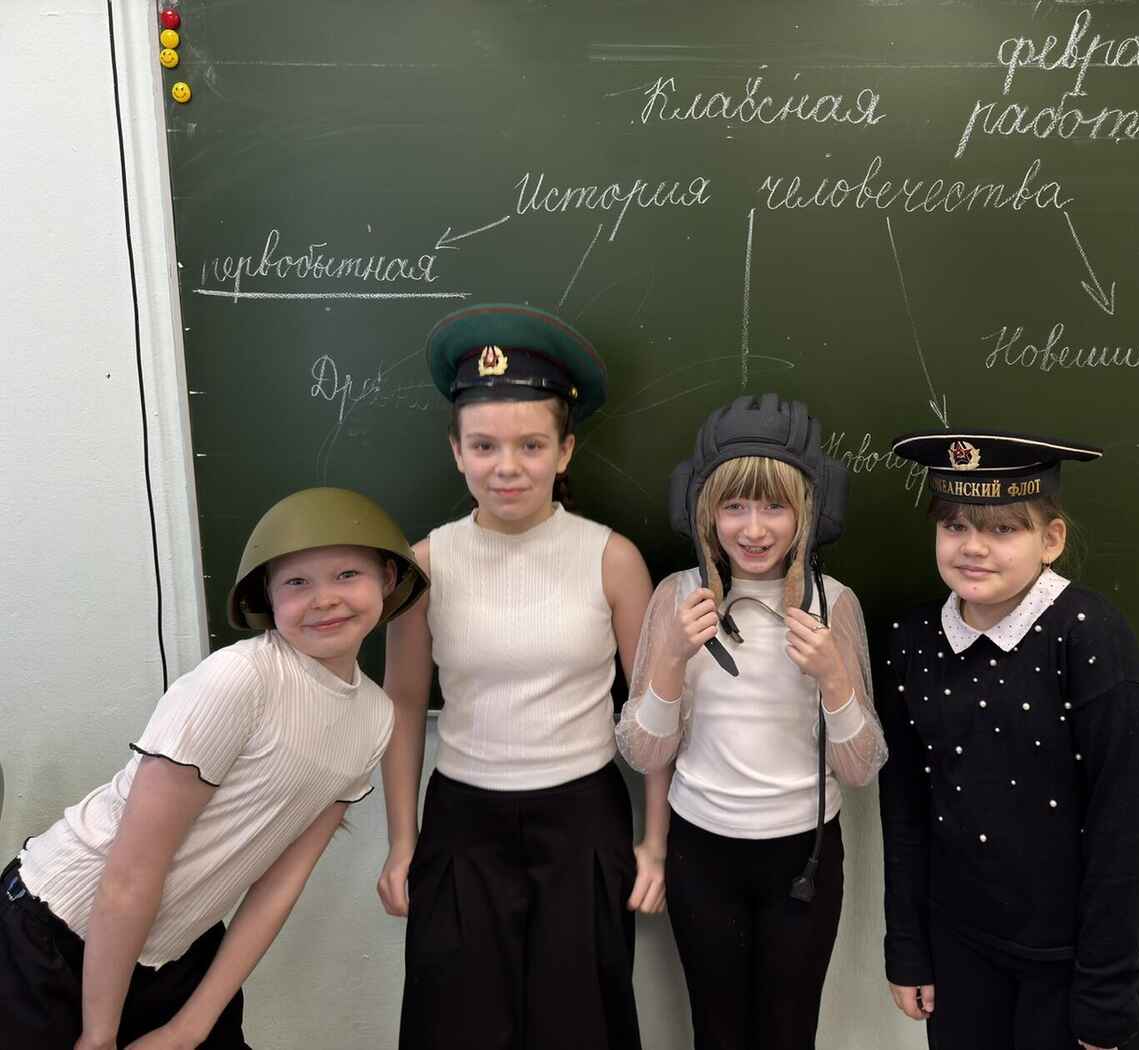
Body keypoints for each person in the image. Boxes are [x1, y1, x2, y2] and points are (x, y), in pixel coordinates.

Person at [1, 486, 427, 1050]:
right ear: (268, 597)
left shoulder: (374, 717)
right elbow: (131, 872)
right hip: (57, 929)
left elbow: (281, 881)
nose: (325, 599)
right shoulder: (240, 679)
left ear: (388, 579)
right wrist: (100, 1035)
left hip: (174, 946)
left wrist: (190, 1028)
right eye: (297, 583)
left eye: (348, 574)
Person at [377, 304, 658, 1050]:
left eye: (531, 445)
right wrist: (402, 841)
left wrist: (655, 840)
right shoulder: (424, 565)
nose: (507, 467)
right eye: (484, 445)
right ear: (456, 452)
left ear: (565, 452)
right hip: (462, 821)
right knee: (457, 1024)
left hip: (583, 820)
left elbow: (656, 711)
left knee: (581, 1025)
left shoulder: (613, 559)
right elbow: (403, 704)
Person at [879, 431, 1139, 1050]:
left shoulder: (1091, 637)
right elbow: (905, 807)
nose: (973, 546)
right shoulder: (913, 640)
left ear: (1051, 540)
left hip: (1075, 959)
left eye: (1004, 528)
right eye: (954, 525)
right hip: (961, 948)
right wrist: (908, 947)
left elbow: (1127, 823)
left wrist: (1106, 994)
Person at [616, 394, 887, 1050]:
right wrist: (672, 658)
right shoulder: (676, 596)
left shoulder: (835, 603)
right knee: (717, 1030)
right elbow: (643, 752)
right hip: (701, 849)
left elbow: (860, 768)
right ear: (703, 510)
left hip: (803, 857)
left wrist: (834, 678)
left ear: (810, 511)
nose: (755, 529)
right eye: (734, 506)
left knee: (788, 1033)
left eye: (775, 506)